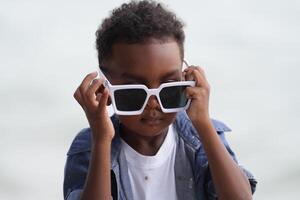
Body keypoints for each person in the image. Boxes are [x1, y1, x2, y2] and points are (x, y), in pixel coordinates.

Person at [63, 1, 257, 199]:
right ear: (105, 86)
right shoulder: (89, 145)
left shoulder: (202, 139)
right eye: (135, 91)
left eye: (169, 88)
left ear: (185, 81)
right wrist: (101, 140)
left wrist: (203, 123)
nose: (153, 104)